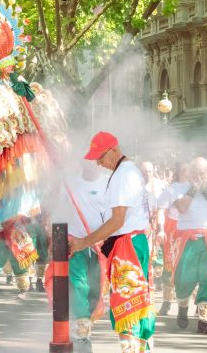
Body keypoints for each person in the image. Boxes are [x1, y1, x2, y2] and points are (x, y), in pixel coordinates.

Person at [70, 132, 155, 353]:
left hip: (128, 247)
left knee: (126, 305)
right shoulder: (128, 171)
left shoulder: (122, 176)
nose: (98, 162)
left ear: (114, 150)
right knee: (137, 302)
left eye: (100, 156)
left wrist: (84, 242)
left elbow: (117, 220)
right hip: (133, 243)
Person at [171, 157, 207, 334]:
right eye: (195, 172)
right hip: (187, 238)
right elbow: (182, 208)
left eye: (202, 172)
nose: (199, 176)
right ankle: (183, 308)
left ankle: (203, 321)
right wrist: (194, 189)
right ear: (190, 173)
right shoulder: (180, 188)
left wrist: (206, 191)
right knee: (184, 279)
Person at [62, 161, 108, 353]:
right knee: (79, 287)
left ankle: (84, 325)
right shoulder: (70, 183)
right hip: (75, 244)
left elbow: (116, 216)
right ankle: (81, 336)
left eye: (94, 164)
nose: (90, 167)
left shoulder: (108, 184)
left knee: (95, 290)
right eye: (86, 164)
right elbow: (59, 210)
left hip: (99, 246)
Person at [155, 162, 188, 315]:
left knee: (190, 267)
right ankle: (167, 302)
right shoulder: (171, 189)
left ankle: (194, 303)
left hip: (191, 230)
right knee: (169, 266)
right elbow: (161, 211)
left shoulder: (199, 188)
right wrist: (161, 229)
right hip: (173, 231)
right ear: (178, 171)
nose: (187, 173)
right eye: (184, 170)